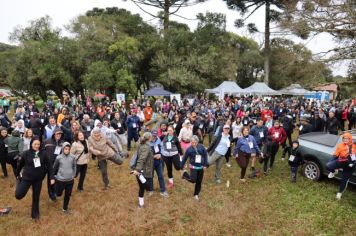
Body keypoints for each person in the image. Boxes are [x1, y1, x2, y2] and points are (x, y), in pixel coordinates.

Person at [15, 138, 55, 219]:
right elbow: (20, 165)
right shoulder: (26, 153)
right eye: (35, 144)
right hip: (27, 178)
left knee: (36, 197)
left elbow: (50, 166)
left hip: (38, 179)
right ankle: (19, 183)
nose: (37, 146)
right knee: (18, 195)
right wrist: (17, 174)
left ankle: (35, 214)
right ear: (31, 144)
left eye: (38, 144)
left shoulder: (43, 153)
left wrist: (52, 177)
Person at [326, 132, 356, 200]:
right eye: (344, 138)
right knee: (328, 166)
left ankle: (339, 193)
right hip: (341, 162)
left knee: (344, 180)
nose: (345, 140)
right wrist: (331, 162)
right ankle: (334, 171)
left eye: (347, 138)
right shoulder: (340, 146)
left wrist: (353, 163)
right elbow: (335, 155)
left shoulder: (354, 145)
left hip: (350, 166)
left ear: (350, 139)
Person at [181, 135, 208, 200]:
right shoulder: (189, 149)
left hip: (201, 167)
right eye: (192, 142)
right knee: (193, 180)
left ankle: (196, 194)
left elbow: (205, 155)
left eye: (195, 142)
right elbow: (185, 158)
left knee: (199, 182)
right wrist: (181, 166)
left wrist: (205, 165)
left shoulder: (202, 147)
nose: (194, 144)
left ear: (197, 142)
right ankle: (184, 174)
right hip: (193, 167)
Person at [132, 132, 154, 208]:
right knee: (147, 187)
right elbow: (142, 159)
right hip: (143, 170)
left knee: (141, 187)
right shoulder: (146, 147)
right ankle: (141, 204)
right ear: (150, 138)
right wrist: (137, 170)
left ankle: (141, 204)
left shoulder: (139, 143)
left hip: (139, 169)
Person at [53, 142, 76, 214]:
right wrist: (53, 176)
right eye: (65, 149)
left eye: (68, 149)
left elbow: (74, 166)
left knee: (68, 194)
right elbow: (54, 167)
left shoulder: (73, 157)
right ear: (63, 149)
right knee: (59, 194)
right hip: (60, 180)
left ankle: (65, 208)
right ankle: (56, 190)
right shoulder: (58, 157)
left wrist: (73, 174)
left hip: (70, 180)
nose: (67, 150)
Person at [44, 127, 64, 201]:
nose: (59, 135)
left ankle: (55, 190)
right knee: (50, 179)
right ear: (54, 134)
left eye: (60, 134)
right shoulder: (47, 141)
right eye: (57, 133)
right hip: (49, 164)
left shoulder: (62, 142)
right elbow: (42, 152)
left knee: (57, 178)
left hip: (59, 164)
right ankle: (51, 194)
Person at [148, 130, 168, 197]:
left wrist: (160, 154)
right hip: (151, 162)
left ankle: (163, 190)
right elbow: (145, 154)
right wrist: (153, 156)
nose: (154, 137)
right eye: (153, 136)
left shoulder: (158, 139)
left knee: (161, 176)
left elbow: (162, 148)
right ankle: (151, 190)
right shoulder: (147, 142)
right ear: (150, 135)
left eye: (155, 136)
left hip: (158, 161)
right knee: (151, 176)